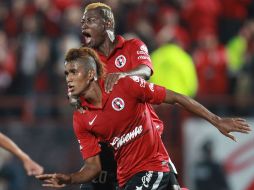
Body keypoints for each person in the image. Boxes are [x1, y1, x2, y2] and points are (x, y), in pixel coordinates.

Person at [36, 47, 251, 190]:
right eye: (66, 74)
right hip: (127, 179)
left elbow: (176, 97)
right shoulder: (81, 119)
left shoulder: (125, 85)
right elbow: (94, 167)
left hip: (153, 167)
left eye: (73, 72)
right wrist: (69, 179)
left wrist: (217, 120)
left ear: (91, 74)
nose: (69, 79)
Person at [79, 2, 167, 189]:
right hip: (106, 146)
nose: (84, 26)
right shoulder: (87, 60)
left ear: (108, 23)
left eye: (90, 20)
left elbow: (146, 71)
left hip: (139, 142)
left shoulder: (132, 46)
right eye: (83, 22)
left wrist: (123, 75)